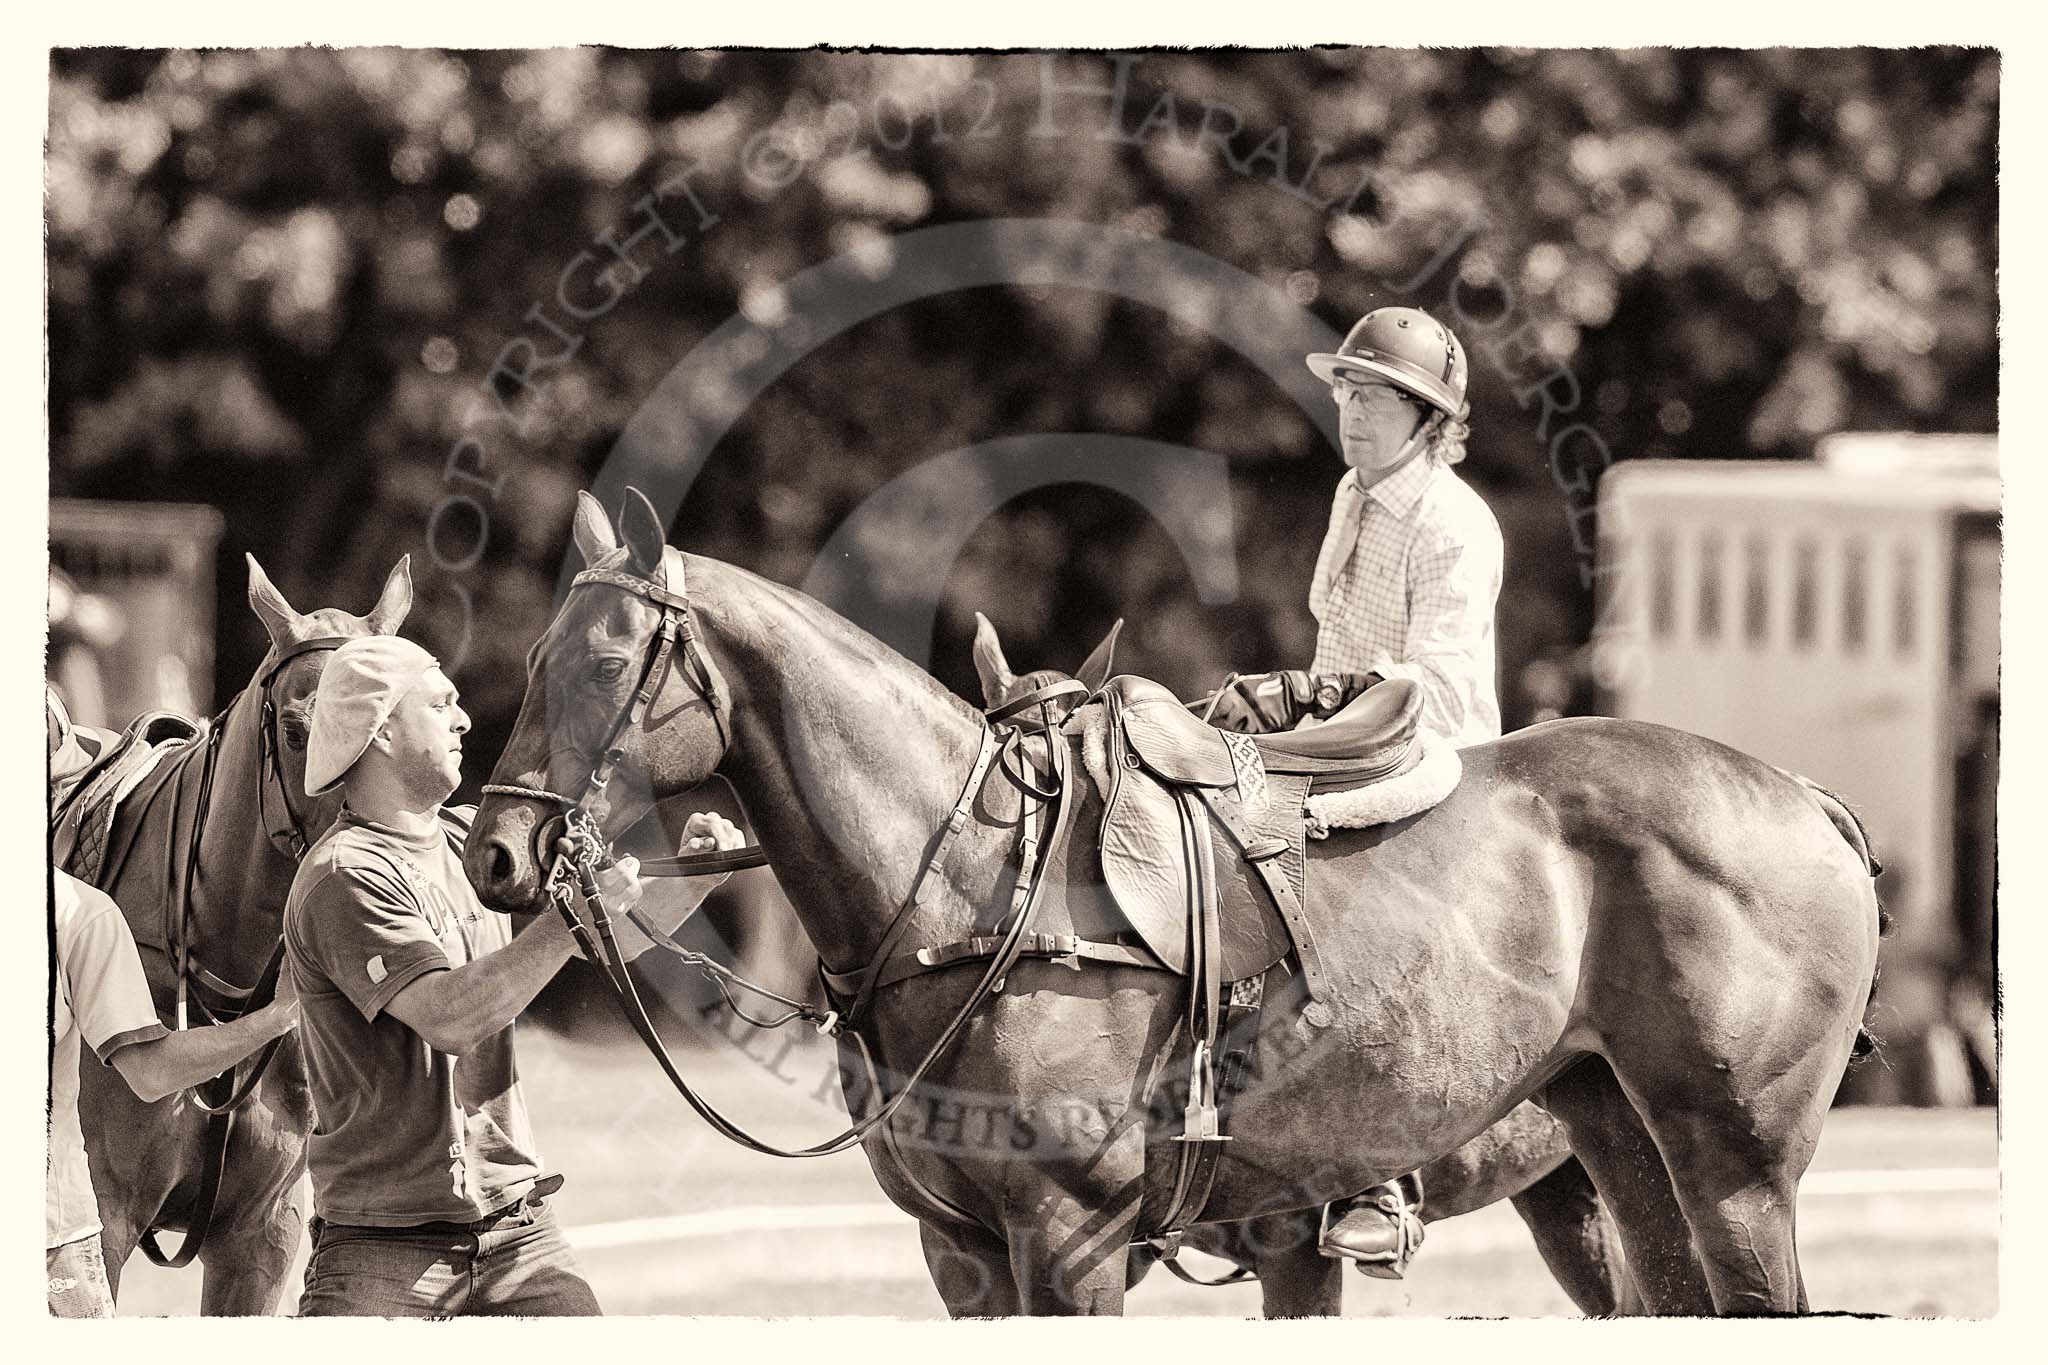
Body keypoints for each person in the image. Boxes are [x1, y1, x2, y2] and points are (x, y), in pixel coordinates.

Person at [282, 635, 742, 1317]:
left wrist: (699, 880)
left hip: (519, 1233)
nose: (464, 718)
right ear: (380, 731)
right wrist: (567, 922)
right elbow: (449, 1016)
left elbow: (592, 944)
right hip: (384, 1248)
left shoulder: (468, 841)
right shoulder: (346, 874)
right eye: (440, 704)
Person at [1208, 306, 1503, 1278]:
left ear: (1429, 420)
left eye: (1376, 398)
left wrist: (1322, 702)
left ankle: (1381, 1175)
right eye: (1346, 392)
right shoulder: (1350, 495)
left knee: (1313, 870)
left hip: (1432, 753)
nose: (1353, 413)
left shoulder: (1454, 523)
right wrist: (1286, 706)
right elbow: (1336, 651)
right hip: (1339, 741)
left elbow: (1444, 690)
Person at [47, 693, 301, 1317]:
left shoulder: (78, 913)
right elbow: (152, 1070)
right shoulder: (81, 913)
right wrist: (279, 1017)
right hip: (55, 1238)